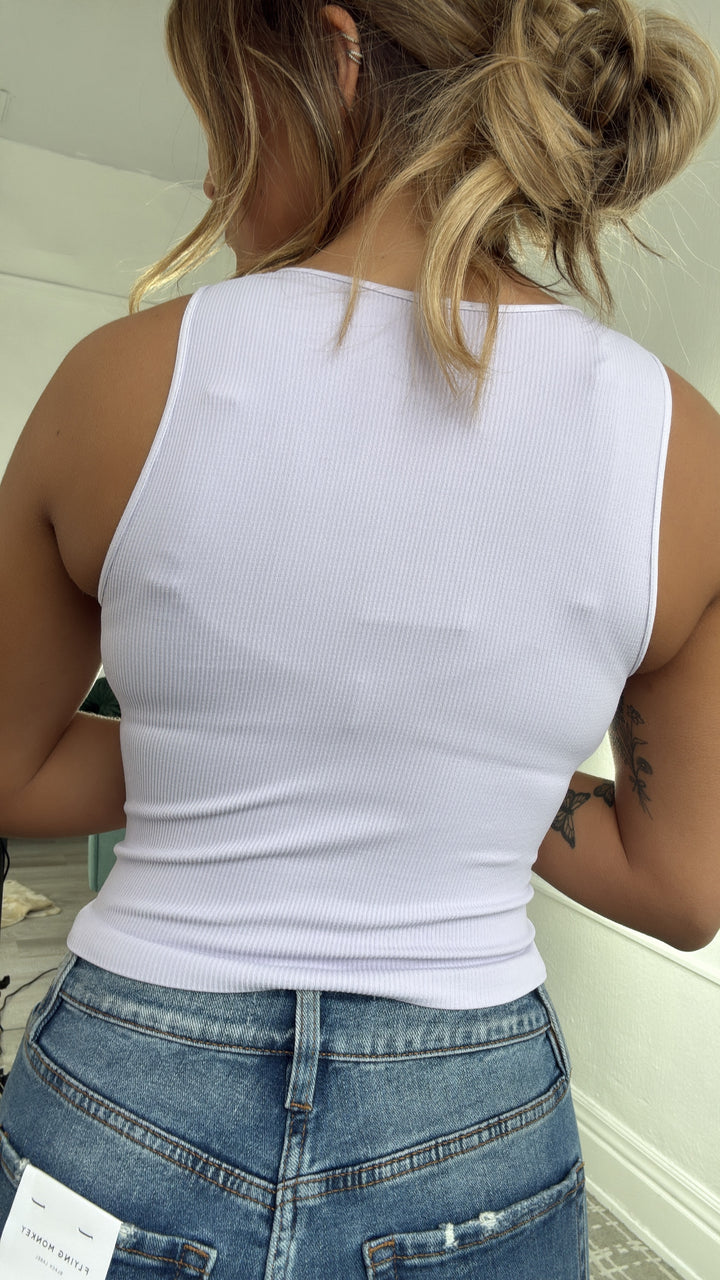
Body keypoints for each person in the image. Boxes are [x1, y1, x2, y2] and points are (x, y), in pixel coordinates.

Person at [0, 1, 719, 1275]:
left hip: (126, 1093)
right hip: (471, 1122)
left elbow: (11, 772)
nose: (212, 177)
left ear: (331, 60)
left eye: (220, 116)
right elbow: (680, 888)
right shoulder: (684, 449)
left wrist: (231, 755)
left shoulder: (114, 383)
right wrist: (453, 769)